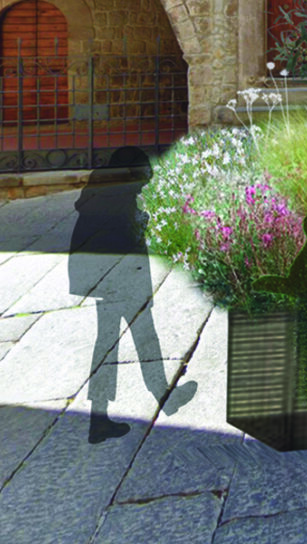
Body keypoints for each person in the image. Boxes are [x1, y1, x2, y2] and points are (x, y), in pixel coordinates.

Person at [68, 147, 196, 443]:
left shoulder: (100, 189)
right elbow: (128, 235)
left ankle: (102, 416)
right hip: (120, 279)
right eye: (141, 179)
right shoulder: (119, 198)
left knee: (110, 344)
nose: (143, 185)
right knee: (140, 337)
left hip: (102, 279)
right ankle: (161, 399)